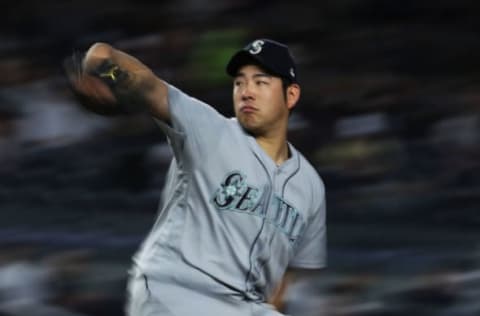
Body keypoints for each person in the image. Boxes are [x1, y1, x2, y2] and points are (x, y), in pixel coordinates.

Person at [66, 38, 327, 316]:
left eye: (261, 83)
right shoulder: (209, 129)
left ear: (291, 96)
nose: (247, 91)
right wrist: (103, 69)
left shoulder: (309, 186)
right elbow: (131, 74)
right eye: (240, 82)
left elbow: (285, 276)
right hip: (177, 290)